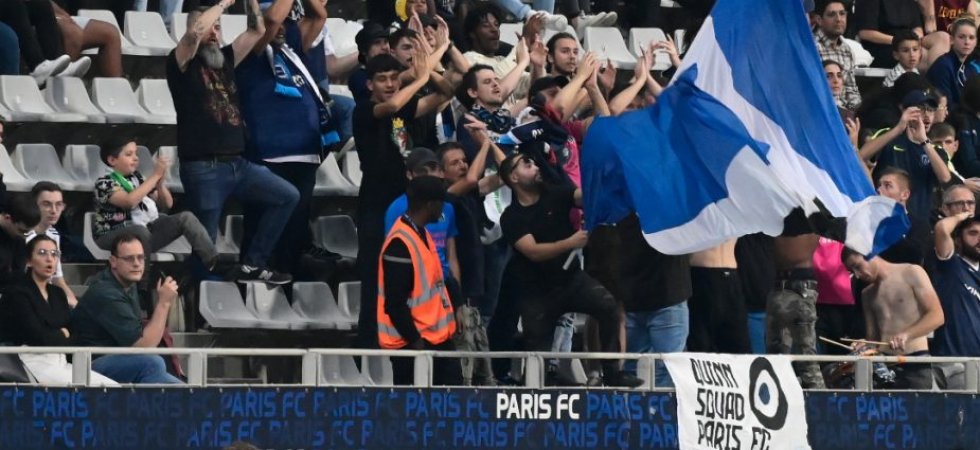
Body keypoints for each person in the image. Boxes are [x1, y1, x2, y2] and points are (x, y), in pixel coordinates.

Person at [167, 0, 299, 284]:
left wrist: (250, 2)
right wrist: (224, 3)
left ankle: (253, 263)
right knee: (205, 243)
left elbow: (257, 29)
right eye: (210, 28)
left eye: (218, 28)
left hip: (238, 163)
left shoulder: (225, 58)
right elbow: (195, 33)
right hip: (204, 167)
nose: (214, 33)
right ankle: (201, 307)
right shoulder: (180, 62)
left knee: (287, 196)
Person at [498, 152, 642, 387]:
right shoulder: (512, 216)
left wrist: (609, 176)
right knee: (538, 355)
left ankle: (613, 373)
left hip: (571, 280)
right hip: (537, 293)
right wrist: (570, 243)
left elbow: (581, 197)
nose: (534, 166)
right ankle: (535, 395)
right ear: (513, 177)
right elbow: (532, 251)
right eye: (527, 163)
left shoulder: (553, 192)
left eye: (532, 161)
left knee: (608, 306)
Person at [353, 51, 453, 347]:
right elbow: (393, 103)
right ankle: (367, 351)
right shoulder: (363, 110)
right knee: (374, 284)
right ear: (369, 84)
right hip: (374, 204)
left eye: (394, 77)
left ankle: (408, 342)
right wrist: (418, 76)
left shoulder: (402, 112)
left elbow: (446, 92)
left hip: (405, 205)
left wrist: (428, 68)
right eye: (382, 79)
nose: (389, 84)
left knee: (406, 283)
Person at [236, 0, 337, 275]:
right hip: (268, 154)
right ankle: (250, 285)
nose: (283, 27)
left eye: (287, 23)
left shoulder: (293, 50)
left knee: (295, 230)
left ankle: (286, 292)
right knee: (262, 223)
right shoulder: (249, 51)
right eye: (279, 21)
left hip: (305, 154)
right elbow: (268, 24)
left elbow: (319, 16)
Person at [92, 138, 220, 276]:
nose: (135, 158)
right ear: (112, 160)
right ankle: (142, 283)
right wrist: (155, 175)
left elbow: (167, 204)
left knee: (185, 218)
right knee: (140, 231)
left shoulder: (138, 178)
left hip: (145, 232)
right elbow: (129, 201)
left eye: (136, 154)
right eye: (129, 154)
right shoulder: (104, 182)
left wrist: (160, 183)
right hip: (112, 234)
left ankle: (213, 262)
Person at [378, 176, 461, 386]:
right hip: (415, 346)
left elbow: (438, 280)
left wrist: (457, 304)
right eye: (441, 203)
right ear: (430, 205)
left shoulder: (420, 233)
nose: (443, 210)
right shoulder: (400, 243)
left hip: (435, 339)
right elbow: (395, 303)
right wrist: (416, 343)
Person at [0, 235, 116, 385]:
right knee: (88, 390)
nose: (50, 259)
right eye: (42, 253)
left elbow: (74, 333)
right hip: (29, 361)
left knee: (113, 387)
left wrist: (60, 335)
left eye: (54, 254)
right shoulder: (17, 292)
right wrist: (62, 333)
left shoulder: (58, 293)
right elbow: (36, 336)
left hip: (61, 359)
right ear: (28, 261)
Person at [70, 233, 184, 384]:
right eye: (129, 258)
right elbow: (144, 346)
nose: (137, 264)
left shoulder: (128, 284)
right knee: (152, 363)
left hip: (122, 359)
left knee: (182, 389)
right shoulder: (106, 293)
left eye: (141, 257)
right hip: (90, 363)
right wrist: (164, 303)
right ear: (113, 262)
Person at [842, 247, 944, 389]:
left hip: (915, 360)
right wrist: (864, 344)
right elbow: (873, 340)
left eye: (858, 267)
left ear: (871, 254)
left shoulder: (911, 272)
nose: (857, 275)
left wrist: (907, 334)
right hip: (884, 365)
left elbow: (937, 315)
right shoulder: (867, 294)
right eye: (852, 271)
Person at [860, 90, 951, 221]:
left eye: (930, 110)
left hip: (919, 220)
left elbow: (945, 178)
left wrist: (924, 141)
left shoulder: (936, 149)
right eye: (920, 109)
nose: (926, 116)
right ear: (906, 112)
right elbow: (862, 156)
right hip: (885, 216)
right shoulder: (889, 136)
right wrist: (898, 128)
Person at [768, 234, 825, 388]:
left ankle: (821, 406)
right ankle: (778, 400)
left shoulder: (810, 215)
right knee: (777, 356)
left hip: (801, 283)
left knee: (806, 357)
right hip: (778, 282)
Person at [932, 209, 980, 357]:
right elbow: (941, 228)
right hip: (954, 360)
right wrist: (962, 216)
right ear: (958, 240)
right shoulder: (952, 265)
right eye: (973, 233)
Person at [854, 0, 948, 69]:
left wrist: (914, 39)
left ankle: (938, 85)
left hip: (909, 41)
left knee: (943, 37)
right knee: (925, 55)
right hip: (884, 47)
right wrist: (900, 40)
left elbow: (917, 27)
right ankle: (936, 89)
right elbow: (865, 33)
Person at [25, 182, 77, 308]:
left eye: (58, 205)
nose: (54, 211)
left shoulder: (53, 234)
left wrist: (77, 306)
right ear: (34, 205)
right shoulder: (23, 237)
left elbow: (57, 279)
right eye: (46, 204)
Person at [813, 0, 862, 109]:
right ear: (819, 20)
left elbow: (851, 89)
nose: (839, 19)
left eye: (842, 13)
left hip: (844, 112)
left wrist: (857, 111)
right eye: (832, 15)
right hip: (821, 110)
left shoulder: (847, 49)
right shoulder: (811, 48)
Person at [926, 17, 980, 108]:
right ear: (951, 40)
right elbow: (947, 106)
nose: (967, 42)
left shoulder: (969, 68)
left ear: (976, 42)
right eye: (961, 37)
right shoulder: (943, 66)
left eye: (971, 38)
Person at [0, 195, 38, 286]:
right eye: (21, 230)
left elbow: (18, 273)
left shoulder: (18, 239)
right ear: (7, 218)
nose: (24, 236)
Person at [349, 21, 391, 101]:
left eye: (386, 42)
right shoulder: (358, 77)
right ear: (364, 51)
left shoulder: (397, 69)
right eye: (377, 43)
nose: (385, 47)